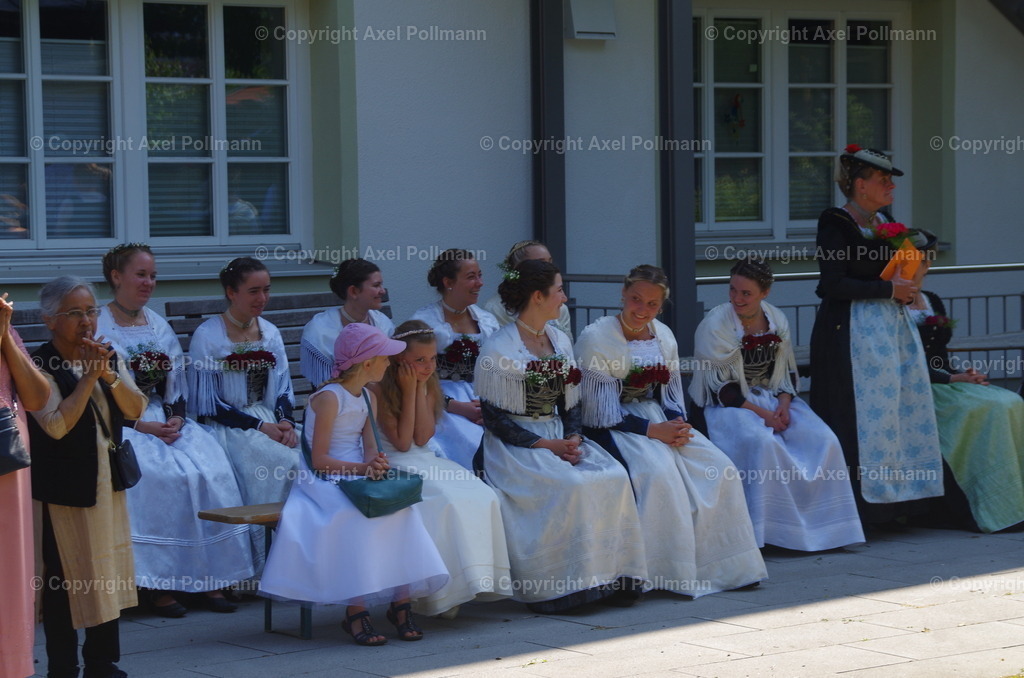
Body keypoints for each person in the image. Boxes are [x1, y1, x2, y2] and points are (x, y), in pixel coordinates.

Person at [575, 265, 767, 594]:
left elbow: (672, 392)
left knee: (719, 468)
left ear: (661, 306)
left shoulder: (663, 335)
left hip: (658, 420)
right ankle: (662, 570)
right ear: (623, 294)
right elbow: (598, 413)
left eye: (652, 304)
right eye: (636, 300)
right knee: (659, 473)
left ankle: (727, 565)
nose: (642, 310)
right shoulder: (597, 337)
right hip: (617, 425)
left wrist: (676, 423)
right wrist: (654, 431)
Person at [475, 259, 647, 613]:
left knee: (614, 476)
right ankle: (564, 586)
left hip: (557, 434)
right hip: (515, 444)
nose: (565, 298)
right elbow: (493, 418)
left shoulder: (560, 340)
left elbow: (572, 400)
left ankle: (614, 578)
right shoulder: (499, 349)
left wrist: (573, 437)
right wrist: (545, 445)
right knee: (571, 486)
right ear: (538, 297)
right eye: (559, 291)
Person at [260, 323, 448, 646]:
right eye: (385, 358)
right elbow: (318, 459)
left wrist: (376, 464)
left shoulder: (366, 398)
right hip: (323, 480)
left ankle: (400, 602)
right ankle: (355, 609)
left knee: (401, 512)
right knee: (356, 517)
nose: (390, 364)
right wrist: (362, 467)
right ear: (367, 362)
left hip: (356, 473)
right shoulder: (329, 398)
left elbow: (371, 446)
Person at [96, 244, 253, 617]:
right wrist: (142, 425)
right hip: (122, 423)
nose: (149, 282)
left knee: (209, 469)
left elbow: (176, 386)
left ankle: (211, 577)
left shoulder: (157, 323)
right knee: (161, 476)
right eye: (140, 275)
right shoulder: (100, 326)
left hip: (160, 419)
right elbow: (98, 397)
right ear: (116, 277)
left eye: (152, 276)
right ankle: (156, 584)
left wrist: (176, 419)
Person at [809, 145, 943, 527]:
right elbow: (831, 284)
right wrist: (887, 291)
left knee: (893, 415)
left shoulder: (885, 221)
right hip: (850, 333)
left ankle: (899, 504)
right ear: (860, 185)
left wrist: (917, 265)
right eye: (884, 181)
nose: (891, 188)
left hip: (890, 330)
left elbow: (903, 268)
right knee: (857, 417)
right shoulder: (835, 222)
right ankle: (857, 513)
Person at [691, 260, 865, 550]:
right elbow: (720, 389)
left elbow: (785, 374)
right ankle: (768, 532)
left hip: (772, 399)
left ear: (765, 293)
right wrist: (765, 416)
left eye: (746, 293)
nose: (737, 298)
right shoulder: (715, 324)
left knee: (824, 439)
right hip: (730, 407)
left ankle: (827, 529)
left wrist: (783, 404)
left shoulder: (777, 319)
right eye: (733, 290)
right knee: (763, 442)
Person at [29, 276, 147, 678]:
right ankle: (62, 667)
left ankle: (102, 663)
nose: (86, 322)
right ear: (49, 320)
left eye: (90, 311)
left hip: (106, 485)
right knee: (65, 583)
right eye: (74, 313)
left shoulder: (105, 356)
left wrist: (108, 374)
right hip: (63, 491)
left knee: (107, 574)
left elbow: (136, 408)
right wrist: (88, 378)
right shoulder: (38, 365)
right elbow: (56, 425)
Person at [368, 319, 512, 618]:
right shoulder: (379, 389)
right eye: (419, 360)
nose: (427, 366)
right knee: (444, 502)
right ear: (398, 360)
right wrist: (409, 391)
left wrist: (420, 388)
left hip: (424, 457)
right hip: (394, 461)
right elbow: (403, 442)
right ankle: (436, 593)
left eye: (432, 359)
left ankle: (468, 582)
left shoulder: (429, 385)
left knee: (482, 496)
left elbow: (423, 436)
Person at [910, 263, 1024, 532]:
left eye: (925, 263)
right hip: (916, 384)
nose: (923, 268)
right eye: (916, 263)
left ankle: (1015, 499)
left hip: (945, 377)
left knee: (1012, 402)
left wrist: (963, 374)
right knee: (985, 409)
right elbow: (905, 360)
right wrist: (950, 378)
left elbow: (939, 353)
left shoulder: (931, 299)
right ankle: (988, 502)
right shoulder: (891, 304)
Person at [188, 257, 298, 509]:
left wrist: (285, 422)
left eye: (266, 290)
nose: (262, 298)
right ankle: (269, 535)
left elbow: (283, 386)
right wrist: (259, 426)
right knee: (283, 462)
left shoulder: (270, 332)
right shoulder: (209, 336)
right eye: (254, 291)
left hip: (268, 419)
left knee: (311, 457)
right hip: (228, 427)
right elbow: (209, 405)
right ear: (231, 292)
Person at [411, 249, 500, 469]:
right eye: (471, 277)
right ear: (448, 282)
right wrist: (456, 406)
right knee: (472, 444)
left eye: (480, 275)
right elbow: (413, 380)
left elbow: (499, 369)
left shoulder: (486, 321)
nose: (479, 283)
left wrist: (490, 405)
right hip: (439, 402)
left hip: (484, 398)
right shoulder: (425, 323)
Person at [0, 292, 49, 678]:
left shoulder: (7, 329)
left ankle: (13, 666)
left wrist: (3, 335)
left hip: (9, 456)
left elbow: (36, 397)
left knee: (11, 567)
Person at [300, 258, 395, 387]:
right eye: (376, 285)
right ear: (354, 291)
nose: (383, 291)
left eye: (381, 285)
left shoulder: (382, 322)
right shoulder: (320, 330)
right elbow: (322, 386)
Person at [481, 240, 573, 337]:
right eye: (541, 262)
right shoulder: (495, 309)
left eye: (550, 262)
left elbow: (568, 347)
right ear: (520, 267)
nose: (549, 268)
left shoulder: (560, 307)